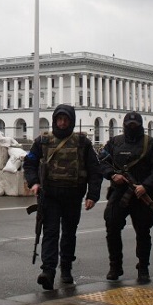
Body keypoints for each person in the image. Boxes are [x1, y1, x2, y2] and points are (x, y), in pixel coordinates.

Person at [23, 104, 102, 290]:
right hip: (49, 196)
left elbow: (94, 170)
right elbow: (30, 162)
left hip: (73, 196)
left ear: (71, 120)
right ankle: (48, 271)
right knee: (50, 233)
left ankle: (66, 268)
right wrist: (33, 182)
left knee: (68, 233)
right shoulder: (43, 141)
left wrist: (93, 195)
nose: (62, 122)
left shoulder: (83, 143)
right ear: (54, 120)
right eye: (59, 119)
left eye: (66, 119)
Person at [99, 111, 153, 282]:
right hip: (119, 193)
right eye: (129, 125)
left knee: (143, 232)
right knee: (112, 227)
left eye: (134, 126)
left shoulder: (150, 144)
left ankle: (143, 267)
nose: (131, 128)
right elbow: (101, 161)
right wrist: (111, 175)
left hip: (141, 194)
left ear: (139, 126)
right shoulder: (115, 142)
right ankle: (115, 266)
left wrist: (146, 185)